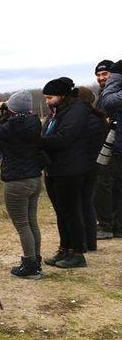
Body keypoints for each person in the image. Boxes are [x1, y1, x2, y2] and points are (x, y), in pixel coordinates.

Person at [0, 91, 44, 279]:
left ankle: (30, 266)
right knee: (31, 222)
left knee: (22, 225)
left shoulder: (13, 126)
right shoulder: (33, 120)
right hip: (34, 178)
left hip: (17, 181)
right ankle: (35, 261)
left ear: (12, 109)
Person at [41, 78, 91, 268]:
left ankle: (78, 253)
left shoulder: (76, 111)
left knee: (71, 212)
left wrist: (36, 142)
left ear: (62, 96)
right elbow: (47, 134)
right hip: (54, 168)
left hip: (70, 168)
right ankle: (64, 249)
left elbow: (64, 138)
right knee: (61, 212)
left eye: (50, 97)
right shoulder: (56, 112)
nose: (47, 101)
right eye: (45, 97)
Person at [77, 87, 108, 251]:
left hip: (85, 166)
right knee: (87, 203)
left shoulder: (87, 120)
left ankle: (84, 241)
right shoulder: (96, 118)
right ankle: (90, 240)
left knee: (83, 204)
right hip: (92, 166)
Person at [95, 59, 122, 239]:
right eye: (98, 75)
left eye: (105, 74)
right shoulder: (103, 92)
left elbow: (108, 107)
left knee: (107, 184)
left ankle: (109, 225)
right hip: (108, 143)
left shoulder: (112, 94)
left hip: (114, 143)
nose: (101, 78)